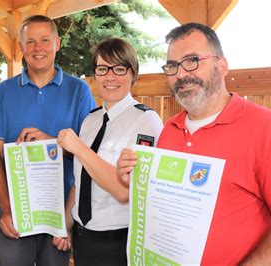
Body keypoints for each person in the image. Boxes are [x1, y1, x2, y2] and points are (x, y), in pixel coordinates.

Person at [117, 22, 271, 265]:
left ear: (222, 65)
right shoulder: (170, 129)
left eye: (192, 60)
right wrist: (135, 179)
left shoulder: (268, 128)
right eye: (172, 66)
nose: (181, 74)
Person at [0, 15, 95, 265]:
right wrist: (6, 209)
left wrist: (52, 142)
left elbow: (88, 155)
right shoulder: (5, 91)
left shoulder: (79, 91)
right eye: (30, 41)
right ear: (21, 47)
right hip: (17, 213)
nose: (38, 48)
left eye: (45, 40)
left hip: (59, 214)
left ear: (57, 43)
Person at [55, 38, 163, 266]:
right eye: (102, 69)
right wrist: (65, 225)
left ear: (133, 74)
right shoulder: (90, 120)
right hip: (83, 239)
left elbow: (126, 192)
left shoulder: (147, 121)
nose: (110, 77)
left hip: (117, 244)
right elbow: (80, 180)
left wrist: (79, 148)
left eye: (119, 69)